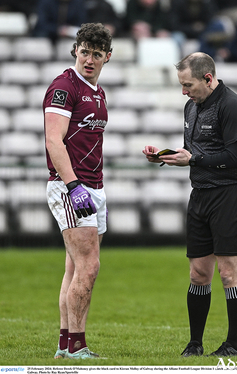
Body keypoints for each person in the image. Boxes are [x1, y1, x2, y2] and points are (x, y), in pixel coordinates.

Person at [142, 52, 237, 357]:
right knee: (198, 274)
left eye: (188, 84)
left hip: (230, 195)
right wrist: (168, 156)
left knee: (230, 273)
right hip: (201, 195)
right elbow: (196, 152)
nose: (184, 91)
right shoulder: (191, 107)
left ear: (208, 78)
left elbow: (235, 158)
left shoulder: (232, 105)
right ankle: (195, 343)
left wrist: (193, 158)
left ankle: (234, 345)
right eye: (182, 85)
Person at [43, 22, 112, 359]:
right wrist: (73, 186)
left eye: (96, 54)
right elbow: (53, 140)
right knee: (89, 265)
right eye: (84, 51)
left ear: (107, 58)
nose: (89, 59)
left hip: (92, 186)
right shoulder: (64, 86)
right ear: (76, 50)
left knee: (74, 268)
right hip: (72, 186)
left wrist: (95, 188)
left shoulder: (98, 92)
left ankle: (64, 346)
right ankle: (78, 347)